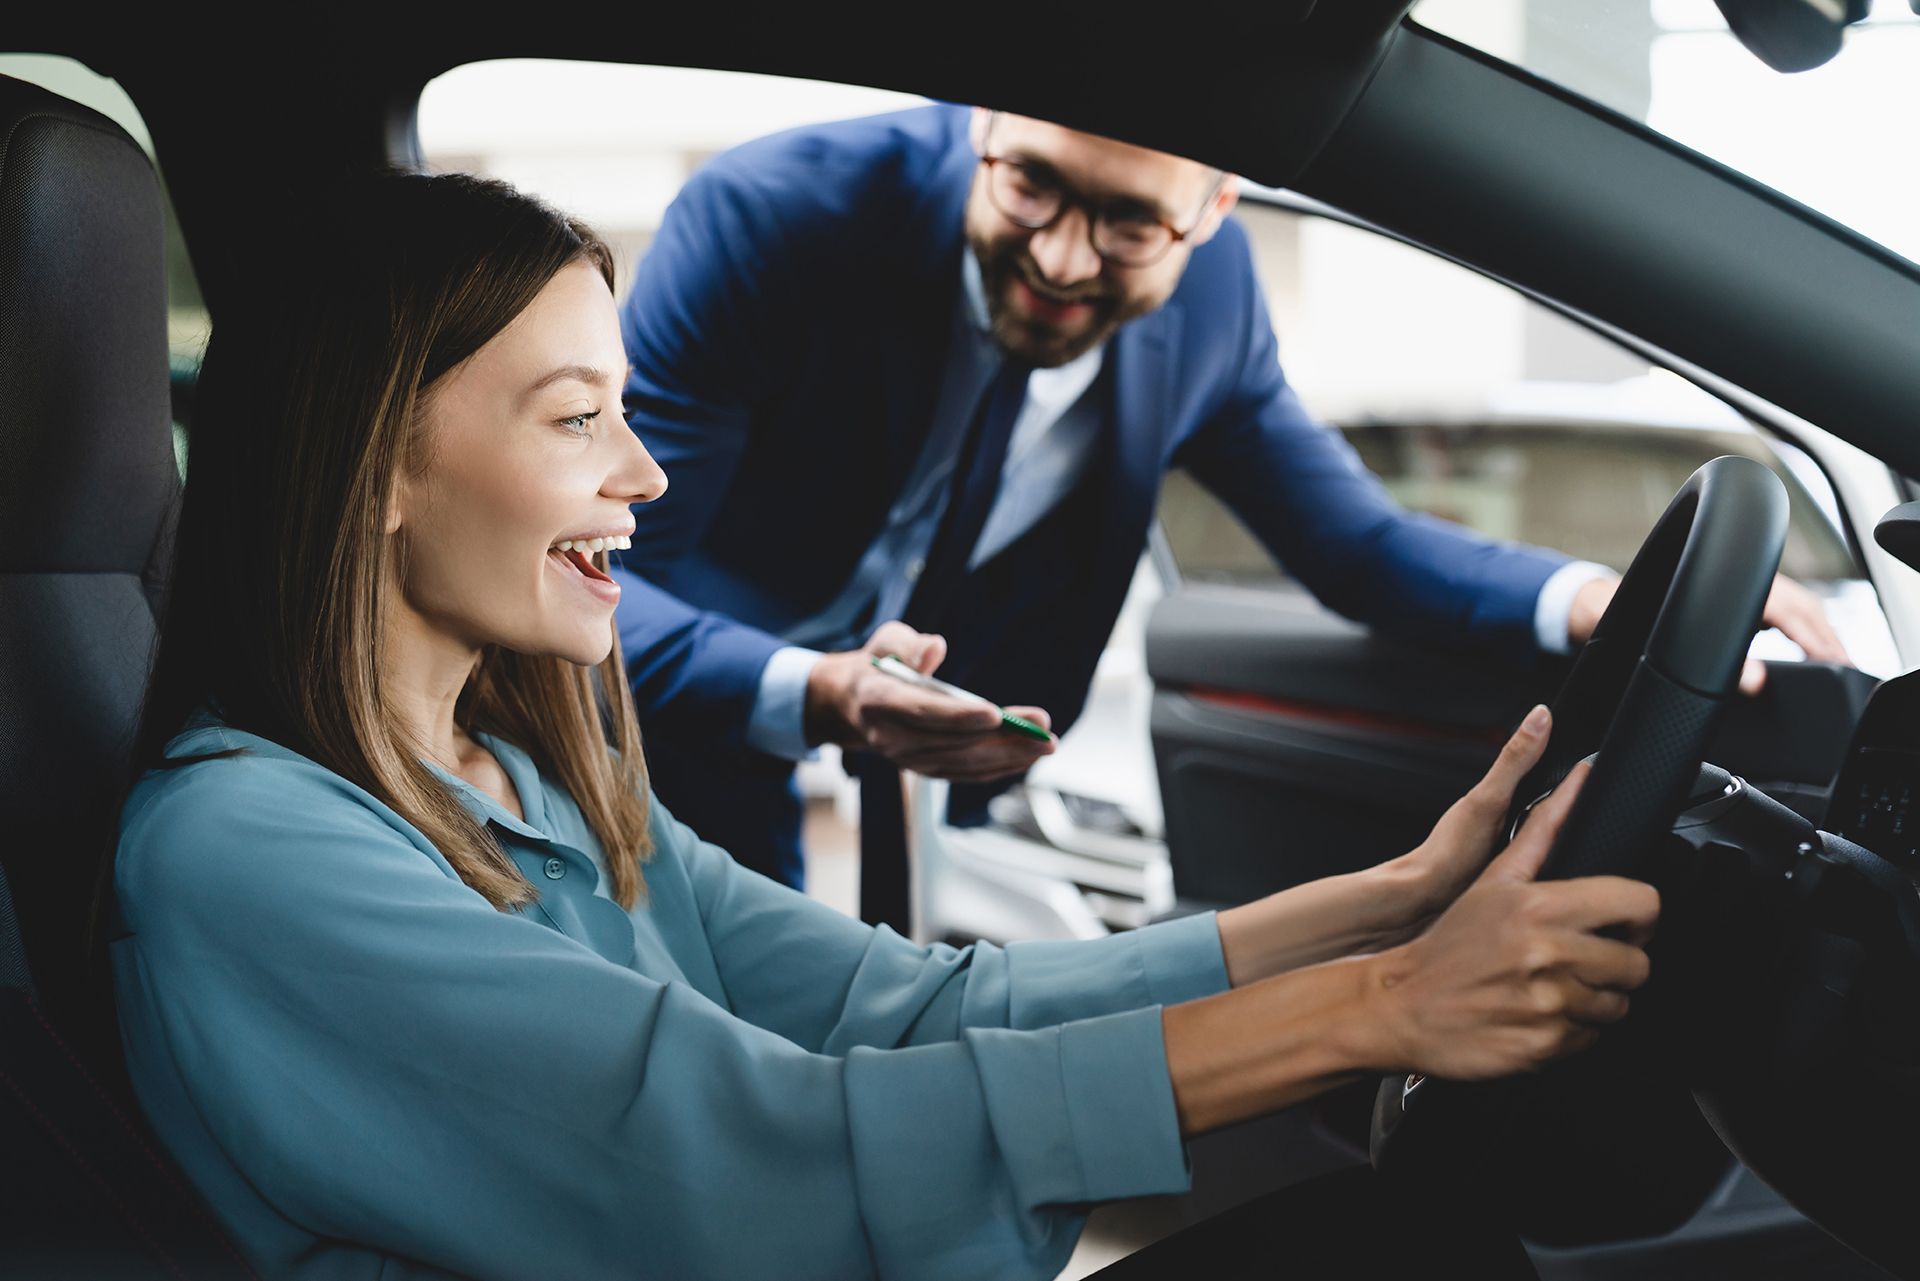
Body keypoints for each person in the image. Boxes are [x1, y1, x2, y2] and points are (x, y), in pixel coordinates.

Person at [112, 170, 1659, 1281]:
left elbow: (908, 1011)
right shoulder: (247, 850)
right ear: (379, 465)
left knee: (1398, 1238)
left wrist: (1375, 908)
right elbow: (756, 1146)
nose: (646, 477)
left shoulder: (530, 780)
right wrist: (1378, 1007)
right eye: (578, 418)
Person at [611, 104, 1849, 912]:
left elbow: (1355, 545)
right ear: (984, 125)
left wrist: (1596, 598)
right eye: (1034, 186)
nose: (1059, 259)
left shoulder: (1212, 308)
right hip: (655, 705)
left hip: (920, 729)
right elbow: (610, 573)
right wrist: (805, 691)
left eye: (1129, 223)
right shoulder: (781, 217)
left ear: (1213, 214)